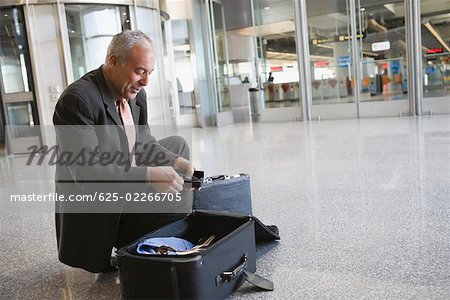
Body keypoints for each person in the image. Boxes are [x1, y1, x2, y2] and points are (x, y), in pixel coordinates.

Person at [53, 30, 195, 273]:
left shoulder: (135, 95)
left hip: (124, 178)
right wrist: (150, 176)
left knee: (178, 146)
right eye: (140, 71)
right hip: (101, 202)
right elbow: (87, 173)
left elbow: (144, 143)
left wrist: (177, 161)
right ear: (113, 61)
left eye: (149, 73)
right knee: (180, 201)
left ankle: (164, 223)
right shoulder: (77, 101)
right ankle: (131, 240)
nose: (146, 81)